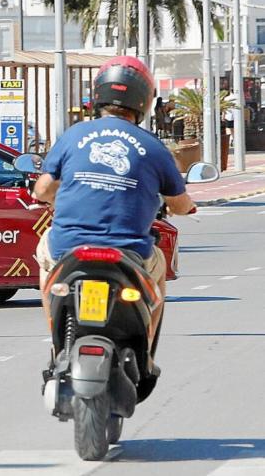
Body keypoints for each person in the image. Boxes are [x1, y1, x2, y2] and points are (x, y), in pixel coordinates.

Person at [33, 56, 196, 358]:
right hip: (129, 251)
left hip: (68, 246)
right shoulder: (153, 147)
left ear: (99, 93)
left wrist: (55, 197)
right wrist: (188, 208)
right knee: (159, 265)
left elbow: (42, 189)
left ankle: (57, 342)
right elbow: (179, 202)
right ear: (144, 100)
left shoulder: (74, 135)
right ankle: (146, 354)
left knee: (44, 258)